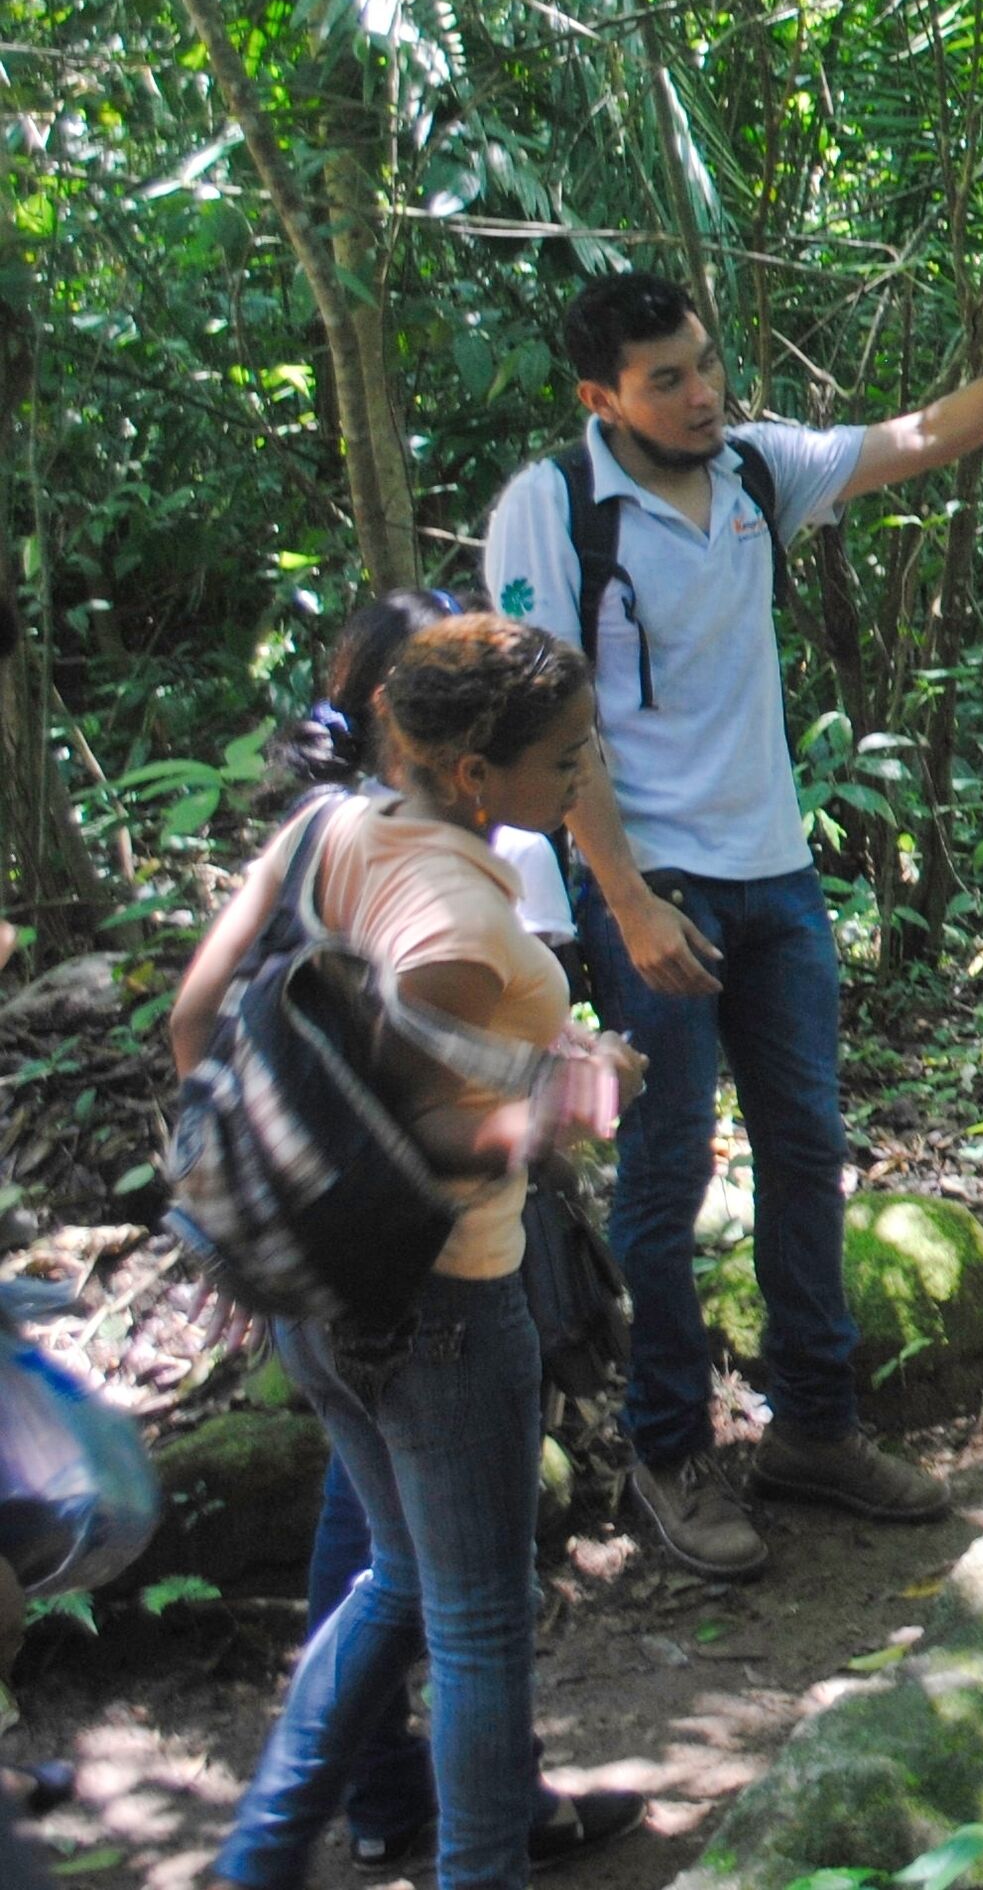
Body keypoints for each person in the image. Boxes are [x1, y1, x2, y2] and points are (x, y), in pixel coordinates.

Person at [482, 235, 983, 1579]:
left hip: (775, 872)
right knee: (667, 1172)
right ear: (601, 397)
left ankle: (815, 1429)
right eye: (667, 379)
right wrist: (625, 896)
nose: (702, 393)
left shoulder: (755, 471)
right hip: (651, 879)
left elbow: (929, 433)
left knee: (804, 1146)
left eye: (706, 364)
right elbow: (546, 719)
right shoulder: (553, 508)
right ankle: (670, 1450)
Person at [169, 615, 645, 1890]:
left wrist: (272, 1182)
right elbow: (429, 1133)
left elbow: (196, 1019)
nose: (584, 773)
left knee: (394, 1578)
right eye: (566, 755)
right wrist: (571, 1095)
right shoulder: (453, 912)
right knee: (480, 1624)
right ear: (477, 770)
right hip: (441, 1310)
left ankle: (258, 1857)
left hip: (316, 1300)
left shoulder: (327, 828)